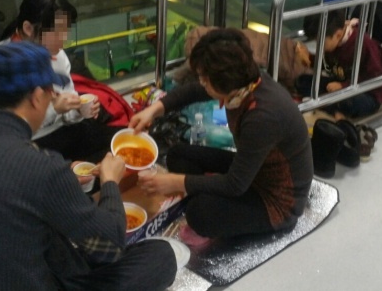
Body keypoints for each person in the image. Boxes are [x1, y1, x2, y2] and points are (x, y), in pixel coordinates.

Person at [0, 41, 177, 291]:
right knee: (160, 256)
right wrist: (110, 181)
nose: (54, 96)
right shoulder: (42, 167)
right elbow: (109, 247)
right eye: (51, 91)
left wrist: (64, 181)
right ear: (36, 97)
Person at [130, 28, 313, 243]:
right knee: (178, 154)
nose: (202, 83)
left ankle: (212, 202)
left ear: (223, 81)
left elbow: (235, 185)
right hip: (255, 171)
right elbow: (193, 91)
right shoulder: (243, 82)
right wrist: (154, 110)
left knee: (199, 213)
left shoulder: (262, 116)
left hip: (278, 201)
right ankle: (211, 196)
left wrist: (175, 182)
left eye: (204, 79)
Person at [0, 0, 122, 164]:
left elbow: (67, 113)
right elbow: (1, 133)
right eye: (56, 32)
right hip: (24, 144)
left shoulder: (58, 55)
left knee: (118, 146)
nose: (63, 39)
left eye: (66, 30)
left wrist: (77, 110)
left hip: (63, 133)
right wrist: (54, 109)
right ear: (28, 28)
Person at [297, 9, 382, 119]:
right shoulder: (333, 42)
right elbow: (326, 65)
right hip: (341, 83)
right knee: (302, 80)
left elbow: (376, 77)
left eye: (319, 42)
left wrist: (344, 86)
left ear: (338, 35)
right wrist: (308, 58)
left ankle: (329, 107)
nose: (318, 46)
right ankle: (329, 106)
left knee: (348, 102)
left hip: (367, 93)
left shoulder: (364, 44)